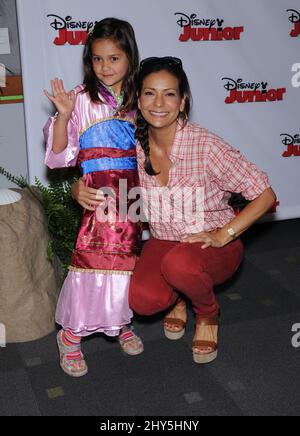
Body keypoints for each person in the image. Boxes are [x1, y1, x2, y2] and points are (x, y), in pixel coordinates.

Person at [71, 56, 276, 365]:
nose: (159, 102)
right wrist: (77, 187)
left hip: (212, 244)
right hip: (165, 242)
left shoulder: (205, 145)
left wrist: (224, 235)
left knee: (181, 266)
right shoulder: (133, 147)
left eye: (169, 94)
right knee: (142, 300)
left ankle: (207, 313)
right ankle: (178, 299)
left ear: (183, 102)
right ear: (138, 100)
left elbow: (265, 195)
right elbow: (104, 173)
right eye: (150, 93)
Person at [43, 18, 143, 378]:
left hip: (132, 194)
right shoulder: (80, 99)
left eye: (114, 58)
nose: (106, 67)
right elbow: (59, 156)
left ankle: (121, 321)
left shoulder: (141, 99)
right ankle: (70, 337)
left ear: (130, 56)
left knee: (128, 259)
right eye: (98, 59)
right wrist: (64, 116)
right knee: (91, 262)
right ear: (89, 60)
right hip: (97, 194)